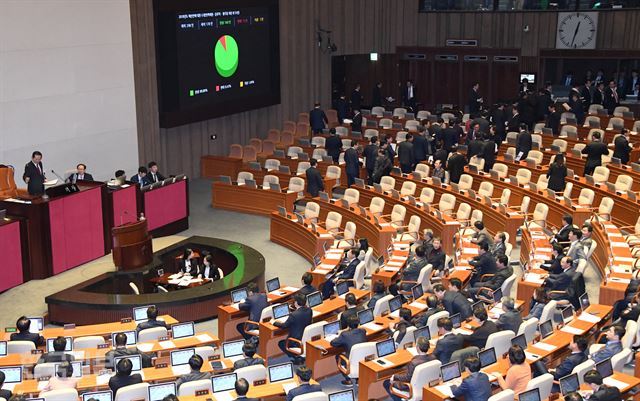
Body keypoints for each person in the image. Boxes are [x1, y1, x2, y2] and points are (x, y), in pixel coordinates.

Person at [275, 293, 313, 363]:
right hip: (305, 338)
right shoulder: (309, 310)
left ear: (296, 302)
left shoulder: (293, 315)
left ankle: (296, 357)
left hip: (295, 342)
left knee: (281, 343)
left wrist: (274, 322)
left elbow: (284, 326)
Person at [331, 315, 367, 385]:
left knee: (338, 356)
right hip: (362, 360)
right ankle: (358, 380)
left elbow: (333, 343)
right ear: (358, 324)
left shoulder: (345, 335)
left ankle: (348, 380)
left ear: (348, 326)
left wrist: (341, 333)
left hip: (350, 361)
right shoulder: (363, 331)